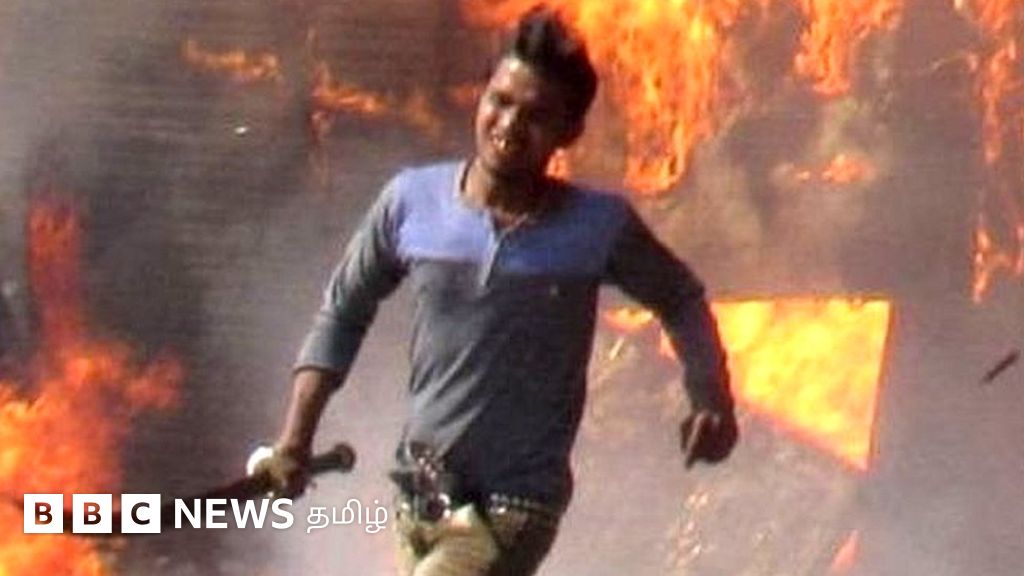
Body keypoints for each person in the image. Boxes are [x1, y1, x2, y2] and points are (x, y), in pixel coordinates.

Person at [258, 9, 738, 576]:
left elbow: (680, 298)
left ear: (568, 132)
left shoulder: (597, 225)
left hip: (514, 506)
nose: (510, 124)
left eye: (536, 115)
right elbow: (343, 312)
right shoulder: (410, 202)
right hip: (422, 496)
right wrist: (295, 441)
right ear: (480, 98)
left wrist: (710, 395)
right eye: (501, 101)